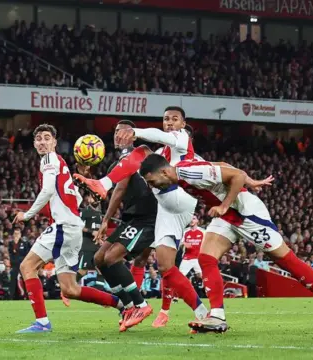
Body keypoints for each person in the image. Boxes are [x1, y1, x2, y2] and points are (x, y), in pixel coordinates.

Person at [139, 154, 313, 334]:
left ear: (164, 172)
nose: (152, 186)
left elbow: (236, 175)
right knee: (206, 258)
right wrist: (247, 182)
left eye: (151, 181)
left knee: (285, 260)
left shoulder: (188, 172)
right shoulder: (183, 171)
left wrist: (226, 202)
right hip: (227, 217)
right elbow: (221, 165)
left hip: (246, 214)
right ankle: (217, 316)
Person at [77, 113, 208, 329]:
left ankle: (141, 305)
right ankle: (191, 312)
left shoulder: (182, 139)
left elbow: (153, 141)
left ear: (183, 124)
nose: (169, 123)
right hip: (157, 209)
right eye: (166, 119)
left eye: (174, 119)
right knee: (107, 259)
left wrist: (136, 133)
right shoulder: (161, 153)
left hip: (169, 204)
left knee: (142, 152)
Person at [12, 124, 121, 334]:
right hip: (72, 229)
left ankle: (42, 323)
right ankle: (121, 305)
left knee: (27, 267)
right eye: (39, 139)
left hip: (64, 227)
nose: (42, 142)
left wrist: (27, 215)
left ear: (54, 141)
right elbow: (76, 197)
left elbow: (47, 190)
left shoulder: (49, 160)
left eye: (47, 138)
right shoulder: (61, 163)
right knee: (70, 289)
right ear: (34, 143)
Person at [91, 120, 161, 331]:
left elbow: (120, 190)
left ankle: (141, 304)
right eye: (115, 131)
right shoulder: (117, 164)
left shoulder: (141, 153)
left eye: (122, 131)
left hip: (148, 218)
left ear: (133, 134)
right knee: (99, 259)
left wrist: (106, 221)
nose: (117, 135)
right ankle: (128, 306)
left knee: (112, 258)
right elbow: (116, 192)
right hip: (131, 218)